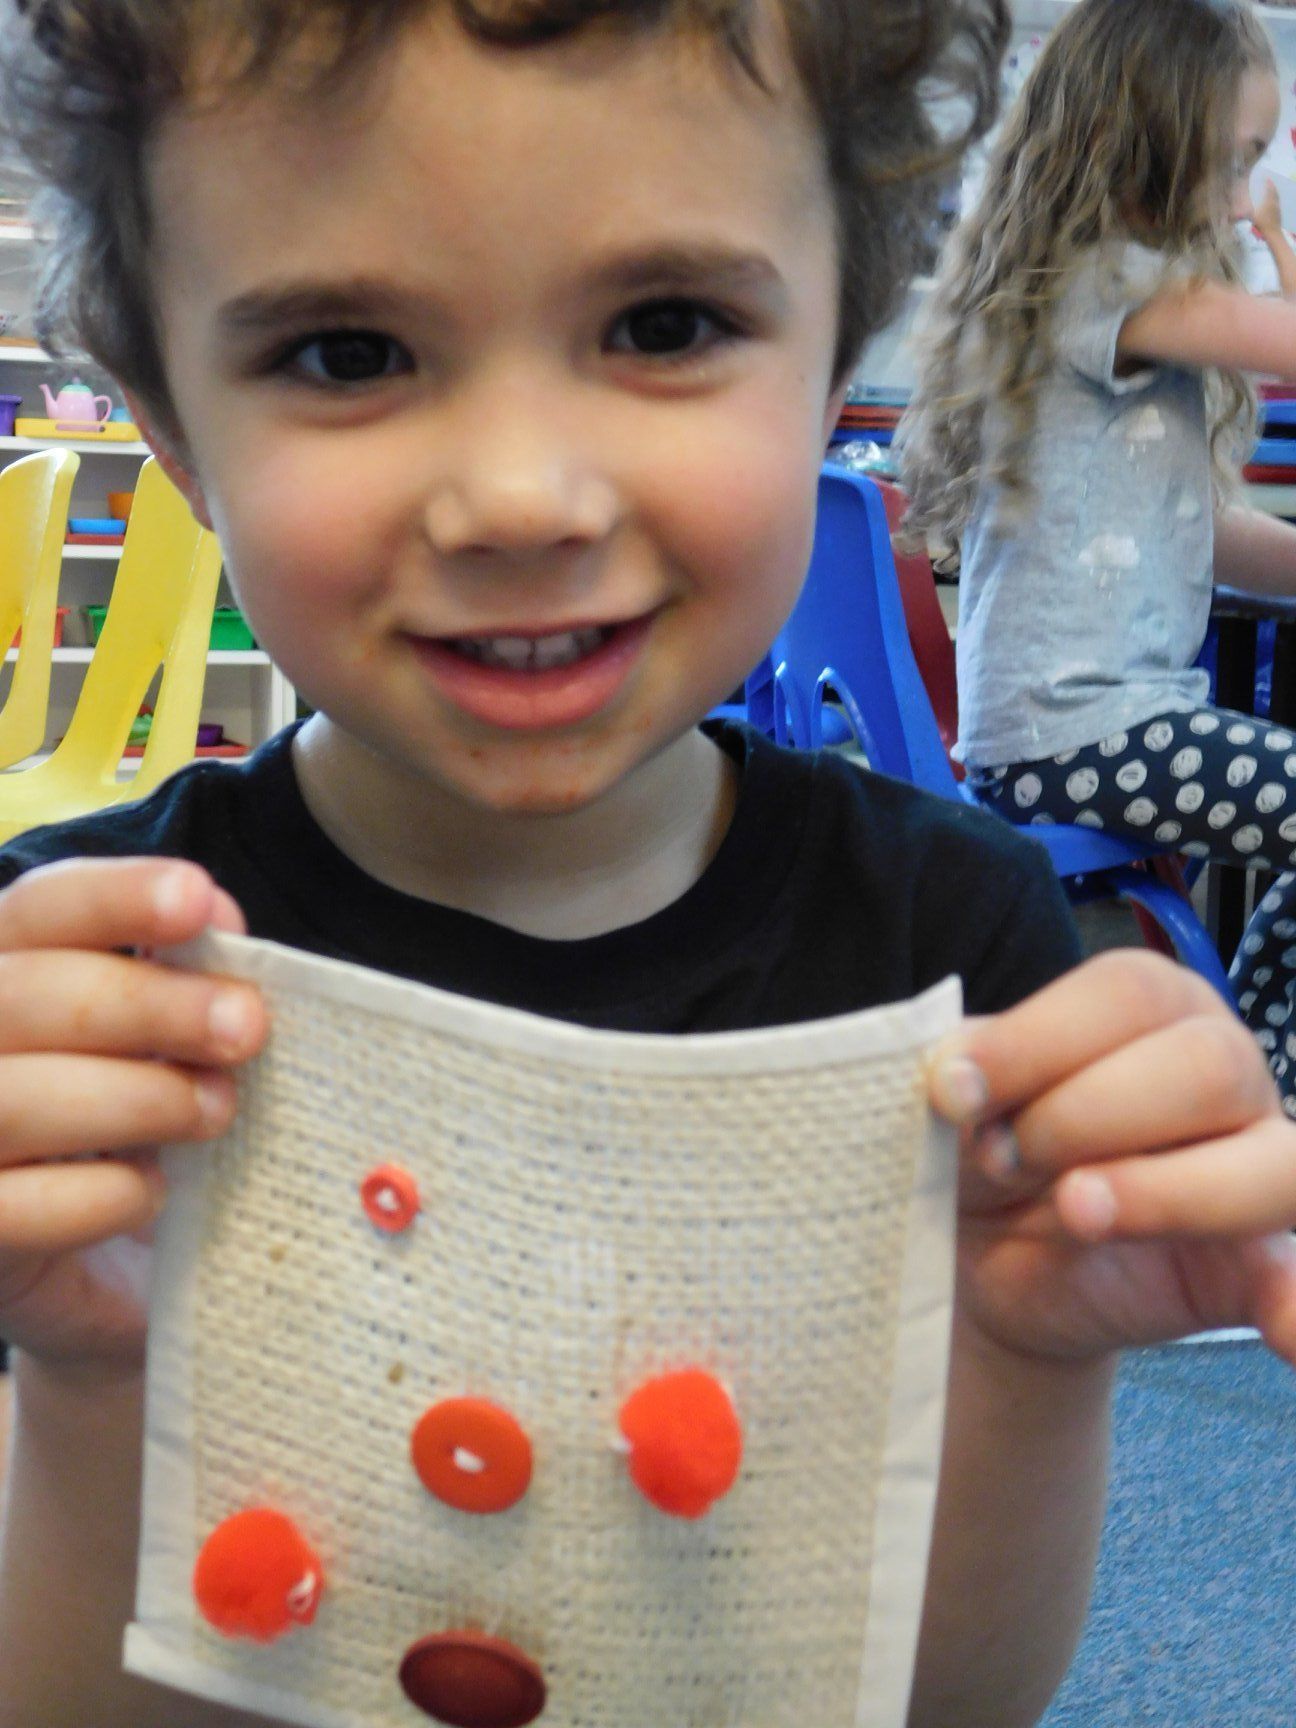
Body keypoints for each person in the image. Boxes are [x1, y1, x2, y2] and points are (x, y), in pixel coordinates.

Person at [0, 3, 1295, 1725]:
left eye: (664, 323)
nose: (523, 495)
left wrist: (1031, 1364)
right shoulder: (86, 1002)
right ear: (171, 434)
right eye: (344, 353)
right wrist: (96, 1381)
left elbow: (939, 1700)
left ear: (835, 367)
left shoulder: (953, 949)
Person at [897, 0, 1296, 1112]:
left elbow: (1197, 533)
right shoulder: (1104, 281)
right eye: (1225, 165)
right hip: (1075, 733)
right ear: (1140, 148)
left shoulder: (1110, 305)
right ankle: (1271, 1097)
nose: (1234, 200)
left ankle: (1258, 1085)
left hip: (1088, 729)